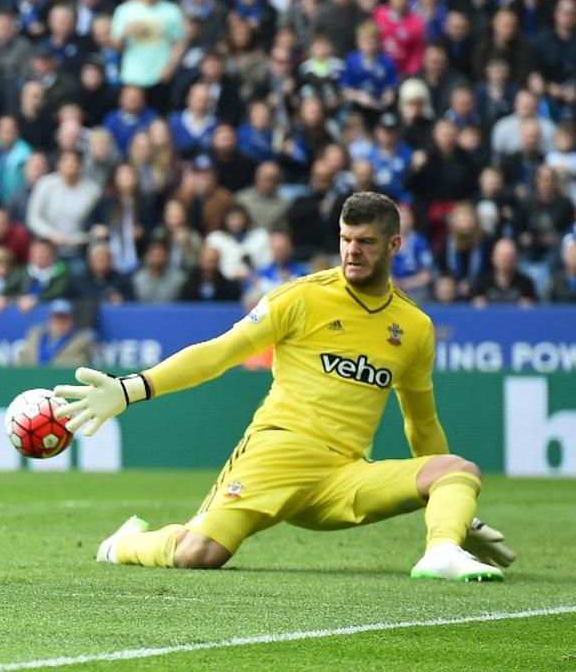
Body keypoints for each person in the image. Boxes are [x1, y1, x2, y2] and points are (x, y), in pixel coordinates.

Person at [53, 192, 516, 581]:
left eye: (366, 242)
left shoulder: (413, 327)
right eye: (346, 239)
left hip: (344, 478)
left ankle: (442, 553)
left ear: (394, 245)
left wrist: (453, 513)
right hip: (276, 455)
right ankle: (124, 543)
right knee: (199, 554)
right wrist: (131, 388)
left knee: (457, 469)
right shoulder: (301, 297)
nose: (353, 251)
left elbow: (422, 422)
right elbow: (218, 353)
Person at [14, 299, 95, 367]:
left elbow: (79, 363)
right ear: (50, 319)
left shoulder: (82, 340)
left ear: (71, 320)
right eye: (56, 319)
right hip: (33, 379)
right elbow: (23, 359)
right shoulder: (35, 334)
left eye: (64, 319)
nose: (59, 323)